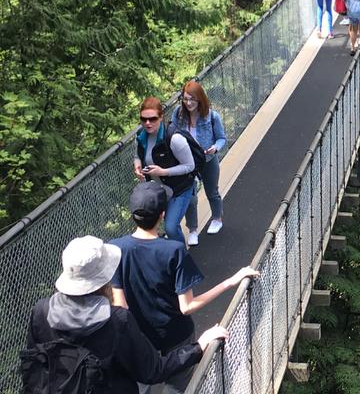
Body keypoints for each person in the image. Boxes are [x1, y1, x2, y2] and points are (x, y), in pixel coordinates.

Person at [22, 235, 228, 394]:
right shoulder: (116, 320)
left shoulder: (42, 311)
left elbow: (37, 362)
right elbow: (153, 371)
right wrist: (199, 346)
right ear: (104, 279)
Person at [110, 183, 258, 394]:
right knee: (176, 389)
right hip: (176, 336)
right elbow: (186, 307)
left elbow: (119, 306)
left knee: (139, 387)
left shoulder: (115, 248)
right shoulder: (173, 250)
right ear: (162, 215)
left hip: (139, 338)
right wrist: (232, 281)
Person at [134, 97, 196, 245]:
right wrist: (137, 165)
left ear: (161, 117)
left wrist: (163, 172)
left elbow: (189, 166)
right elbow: (137, 155)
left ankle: (181, 257)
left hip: (180, 188)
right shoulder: (140, 137)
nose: (147, 123)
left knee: (170, 228)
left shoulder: (174, 138)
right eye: (144, 119)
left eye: (152, 119)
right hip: (160, 190)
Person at [171, 80, 227, 243]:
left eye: (192, 99)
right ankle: (193, 230)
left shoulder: (212, 116)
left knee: (212, 192)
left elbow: (221, 138)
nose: (188, 103)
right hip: (186, 162)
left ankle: (217, 219)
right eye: (186, 99)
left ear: (200, 99)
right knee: (190, 197)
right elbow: (172, 131)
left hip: (208, 160)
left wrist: (214, 148)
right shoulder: (178, 113)